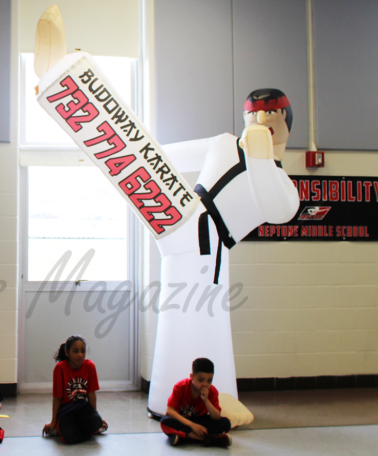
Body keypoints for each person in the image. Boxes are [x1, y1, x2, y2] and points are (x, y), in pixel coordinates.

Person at [146, 88, 301, 413]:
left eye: (268, 116)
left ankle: (200, 401)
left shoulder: (284, 185)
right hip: (188, 216)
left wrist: (260, 159)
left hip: (209, 239)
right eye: (253, 116)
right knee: (188, 315)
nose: (259, 121)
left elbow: (276, 210)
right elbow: (159, 156)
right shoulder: (223, 143)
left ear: (285, 122)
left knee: (202, 318)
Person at [42, 335, 108, 444]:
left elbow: (91, 394)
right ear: (67, 352)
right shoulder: (60, 368)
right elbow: (57, 397)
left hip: (83, 407)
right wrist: (53, 421)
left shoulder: (90, 366)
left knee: (97, 422)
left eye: (83, 351)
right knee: (69, 437)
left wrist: (94, 415)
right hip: (66, 411)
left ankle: (73, 429)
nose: (80, 355)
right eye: (75, 351)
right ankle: (62, 428)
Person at [160, 358, 232, 447]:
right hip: (183, 420)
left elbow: (216, 417)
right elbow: (169, 411)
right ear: (192, 377)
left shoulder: (212, 391)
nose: (205, 384)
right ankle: (205, 439)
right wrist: (192, 425)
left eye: (209, 380)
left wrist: (206, 401)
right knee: (164, 421)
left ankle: (183, 436)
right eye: (201, 380)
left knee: (226, 423)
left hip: (200, 421)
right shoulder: (180, 387)